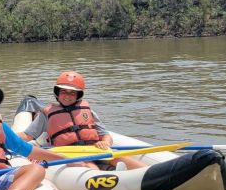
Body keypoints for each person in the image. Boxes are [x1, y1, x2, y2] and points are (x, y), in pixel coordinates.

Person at [17, 71, 146, 170]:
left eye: (72, 93)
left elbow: (105, 135)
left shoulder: (88, 111)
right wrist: (5, 138)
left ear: (78, 95)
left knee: (118, 157)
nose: (67, 96)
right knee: (88, 164)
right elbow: (27, 135)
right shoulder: (47, 114)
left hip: (93, 149)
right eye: (64, 92)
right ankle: (109, 177)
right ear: (57, 93)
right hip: (68, 153)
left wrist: (105, 143)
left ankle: (147, 171)